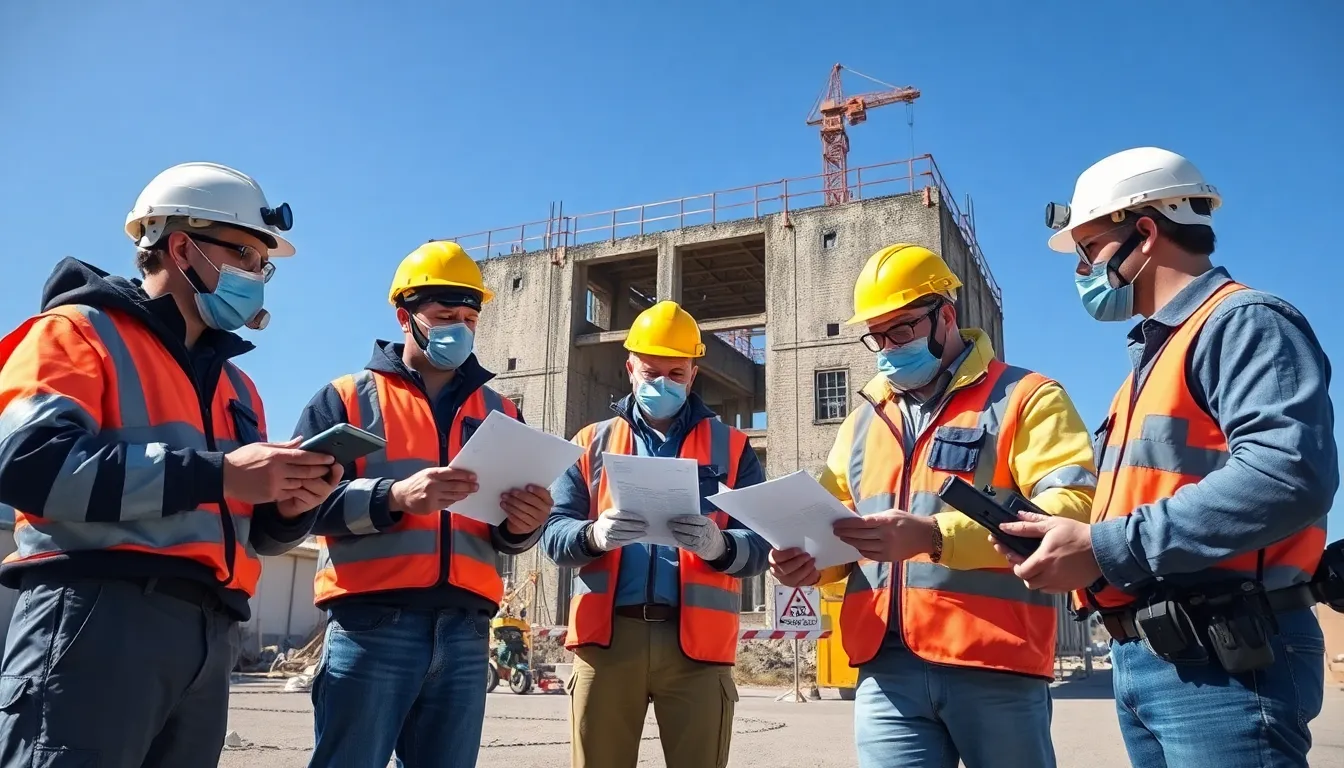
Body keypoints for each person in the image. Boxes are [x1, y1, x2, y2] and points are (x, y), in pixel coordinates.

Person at [995, 147, 1336, 768]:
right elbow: (1148, 507)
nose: (1081, 270)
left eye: (1088, 250)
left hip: (1228, 660)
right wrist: (1073, 546)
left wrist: (1103, 548)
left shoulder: (1242, 323)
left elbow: (1289, 474)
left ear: (1145, 232)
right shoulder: (1146, 368)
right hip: (1154, 653)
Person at [0, 161, 338, 767]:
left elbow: (250, 529)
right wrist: (220, 473)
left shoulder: (239, 386)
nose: (258, 276)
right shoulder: (75, 332)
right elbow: (30, 464)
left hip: (210, 633)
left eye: (265, 266)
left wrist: (290, 508)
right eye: (245, 254)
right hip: (96, 613)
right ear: (181, 247)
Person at [769, 244, 1098, 768]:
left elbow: (1070, 508)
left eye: (901, 330)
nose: (886, 348)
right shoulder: (862, 423)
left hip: (995, 659)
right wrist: (809, 561)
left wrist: (934, 537)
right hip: (885, 665)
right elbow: (837, 527)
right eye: (875, 336)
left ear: (946, 315)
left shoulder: (1026, 397)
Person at [296, 240, 552, 768]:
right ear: (404, 315)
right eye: (443, 315)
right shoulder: (344, 397)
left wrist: (524, 525)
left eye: (468, 317)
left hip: (465, 630)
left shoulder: (500, 411)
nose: (458, 327)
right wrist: (394, 497)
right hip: (371, 625)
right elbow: (296, 504)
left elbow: (504, 532)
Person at [542, 300, 771, 768]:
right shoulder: (589, 443)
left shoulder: (733, 447)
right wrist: (593, 536)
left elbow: (760, 543)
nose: (662, 383)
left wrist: (720, 545)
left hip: (698, 649)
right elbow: (552, 532)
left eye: (676, 373)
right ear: (630, 368)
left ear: (694, 372)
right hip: (606, 642)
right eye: (651, 371)